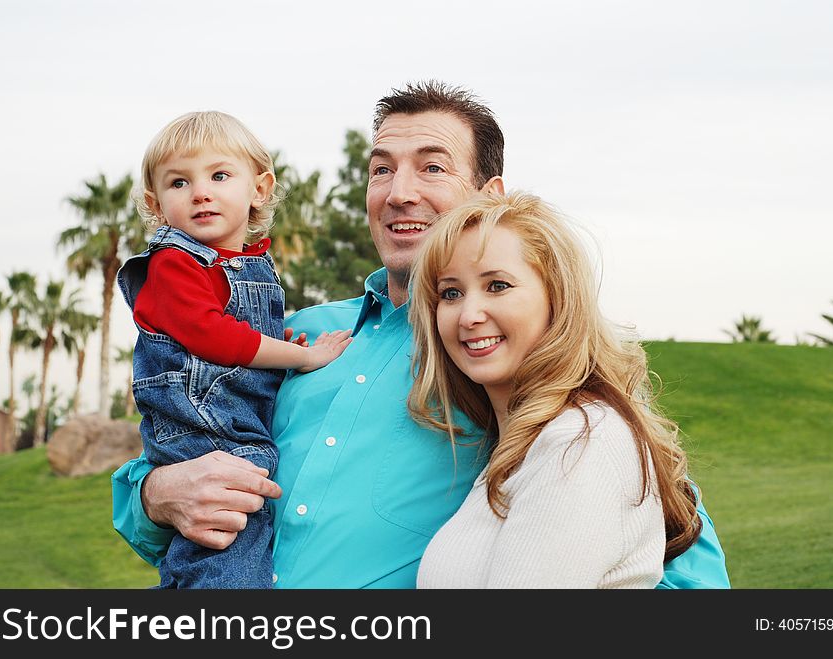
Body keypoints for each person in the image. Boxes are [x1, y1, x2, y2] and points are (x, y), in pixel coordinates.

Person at [112, 82, 730, 588]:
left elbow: (668, 546)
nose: (399, 193)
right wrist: (159, 496)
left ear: (489, 199)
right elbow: (164, 456)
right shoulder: (291, 337)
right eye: (381, 170)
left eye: (431, 167)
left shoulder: (507, 353)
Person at [409, 191, 699, 588]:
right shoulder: (527, 442)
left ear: (557, 299)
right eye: (451, 293)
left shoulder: (578, 441)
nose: (469, 315)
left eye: (497, 285)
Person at [116, 111, 351, 588]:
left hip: (233, 427)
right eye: (179, 182)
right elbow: (214, 337)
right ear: (156, 204)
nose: (200, 192)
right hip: (202, 429)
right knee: (228, 552)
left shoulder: (249, 265)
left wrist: (279, 346)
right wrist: (303, 358)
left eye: (219, 176)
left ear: (259, 189)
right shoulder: (173, 265)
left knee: (226, 543)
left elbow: (241, 338)